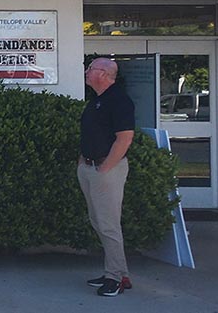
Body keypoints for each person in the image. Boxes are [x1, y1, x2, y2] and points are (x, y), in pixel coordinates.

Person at [79, 57, 135, 297]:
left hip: (106, 170)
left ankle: (115, 278)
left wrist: (104, 169)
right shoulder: (97, 100)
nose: (86, 72)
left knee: (108, 225)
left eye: (90, 68)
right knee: (98, 221)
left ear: (103, 73)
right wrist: (83, 162)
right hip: (89, 168)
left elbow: (124, 138)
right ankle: (118, 272)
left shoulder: (119, 100)